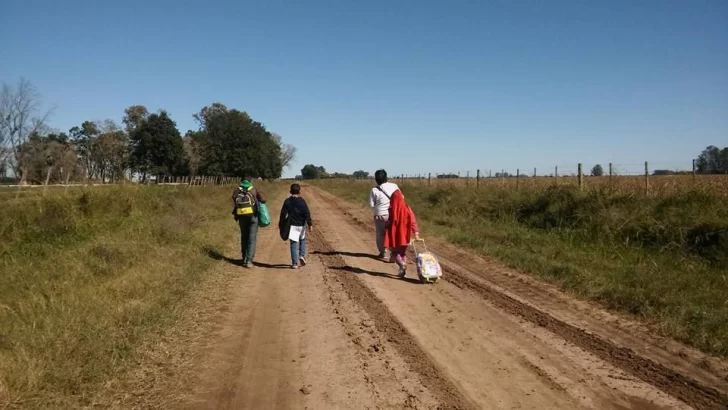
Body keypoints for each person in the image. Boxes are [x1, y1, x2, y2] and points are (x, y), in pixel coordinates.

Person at [384, 189, 420, 277]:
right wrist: (416, 233)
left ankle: (401, 264)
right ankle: (403, 272)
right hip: (405, 235)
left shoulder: (391, 209)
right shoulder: (407, 208)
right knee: (403, 253)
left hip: (394, 235)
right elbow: (412, 221)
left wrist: (386, 227)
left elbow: (388, 222)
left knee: (395, 252)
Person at [232, 179, 266, 268]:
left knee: (244, 237)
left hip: (241, 217)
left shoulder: (237, 190)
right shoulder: (253, 189)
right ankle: (249, 261)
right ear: (250, 181)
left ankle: (244, 258)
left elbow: (234, 199)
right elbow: (263, 199)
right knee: (252, 238)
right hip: (253, 216)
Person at [280, 183, 313, 269]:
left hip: (292, 225)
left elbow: (283, 214)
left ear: (290, 191)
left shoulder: (287, 201)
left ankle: (294, 263)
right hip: (301, 224)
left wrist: (281, 223)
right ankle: (302, 255)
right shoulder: (302, 201)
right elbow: (307, 213)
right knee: (302, 240)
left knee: (293, 244)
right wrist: (310, 224)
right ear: (299, 191)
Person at [368, 169, 399, 260]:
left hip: (380, 215)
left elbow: (371, 204)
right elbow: (401, 197)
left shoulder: (374, 189)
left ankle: (383, 253)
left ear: (376, 179)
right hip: (393, 214)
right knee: (392, 234)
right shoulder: (394, 186)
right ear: (386, 177)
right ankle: (394, 254)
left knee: (380, 235)